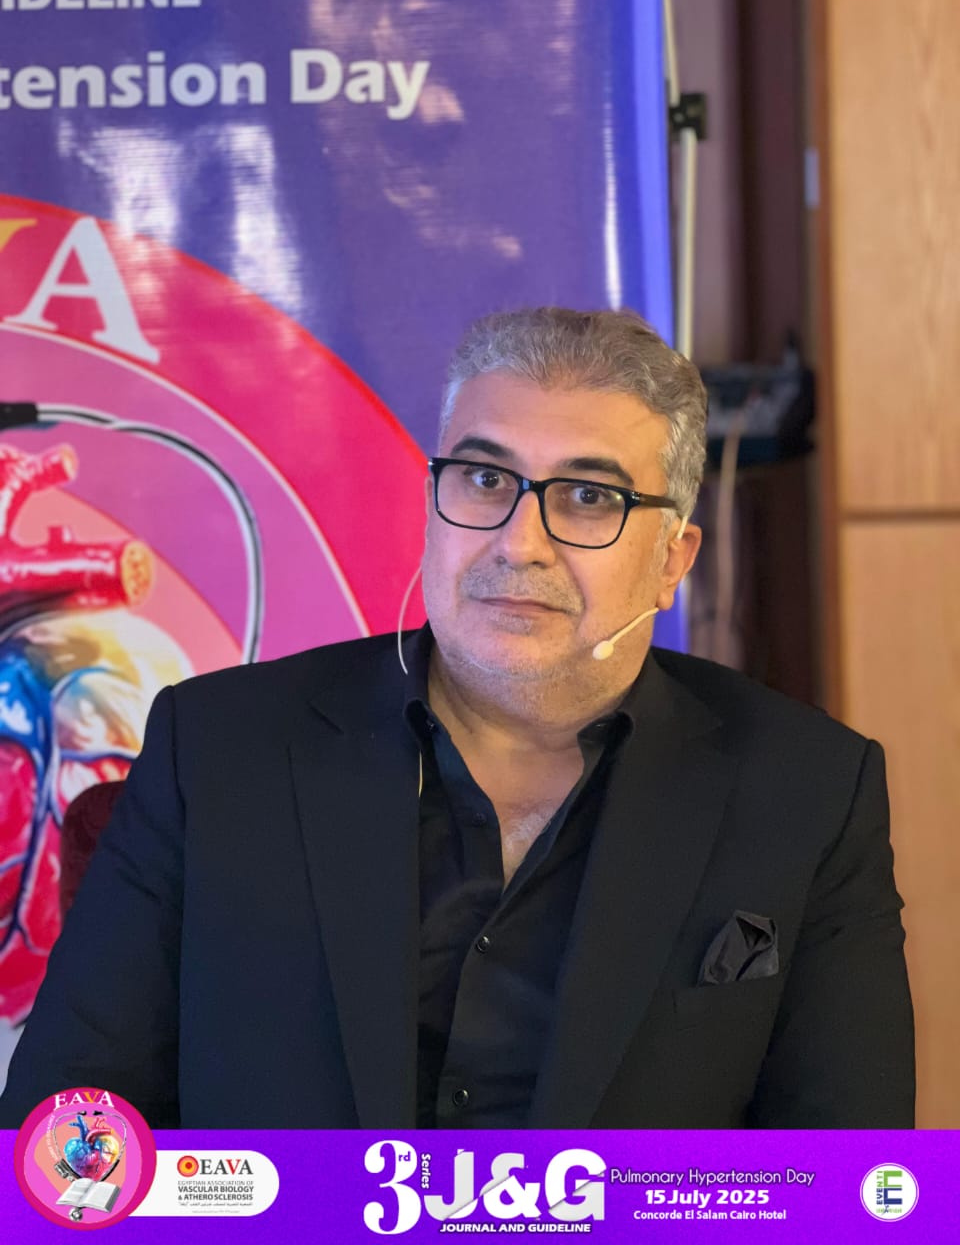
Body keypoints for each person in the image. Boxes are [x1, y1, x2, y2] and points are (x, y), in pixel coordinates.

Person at [0, 307, 914, 1130]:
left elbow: (847, 1181)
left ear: (673, 560)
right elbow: (61, 1139)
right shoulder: (219, 750)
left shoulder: (807, 792)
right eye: (484, 478)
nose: (520, 543)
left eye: (588, 497)